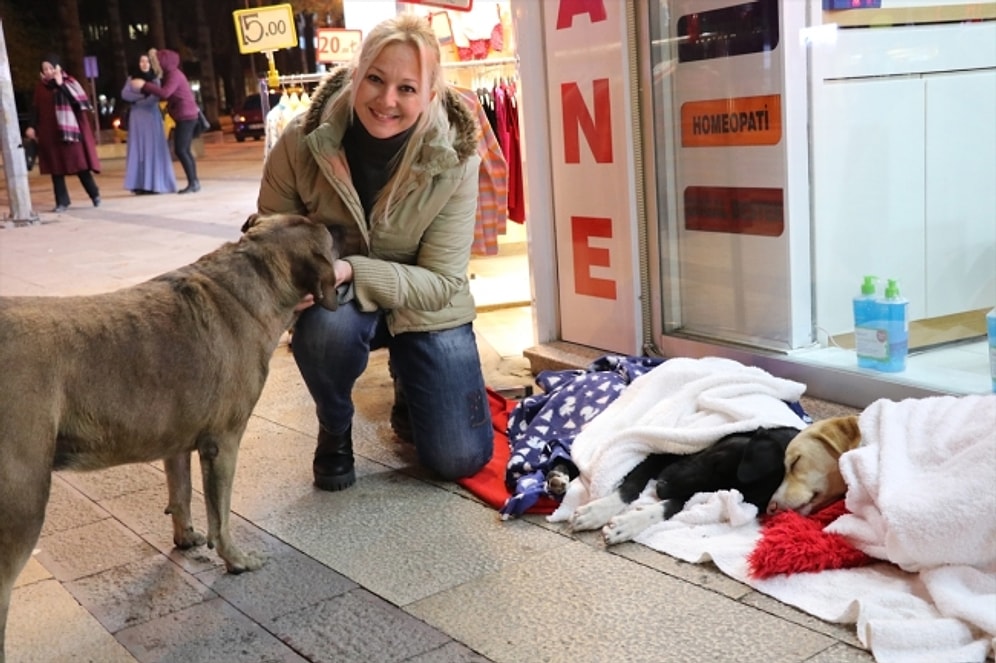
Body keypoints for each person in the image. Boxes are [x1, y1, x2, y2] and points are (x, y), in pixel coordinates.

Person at [256, 14, 493, 491]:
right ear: (355, 74)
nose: (386, 101)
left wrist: (351, 269)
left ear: (429, 94)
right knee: (325, 330)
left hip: (425, 304)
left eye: (407, 89)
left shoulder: (457, 154)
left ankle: (411, 378)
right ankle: (335, 422)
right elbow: (271, 232)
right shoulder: (302, 140)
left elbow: (444, 283)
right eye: (376, 80)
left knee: (459, 458)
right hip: (340, 298)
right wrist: (293, 279)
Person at [25, 53, 101, 213]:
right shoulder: (40, 88)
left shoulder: (69, 82)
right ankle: (62, 202)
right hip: (49, 134)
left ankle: (94, 194)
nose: (47, 71)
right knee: (56, 170)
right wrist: (32, 126)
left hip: (70, 134)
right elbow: (35, 109)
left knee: (80, 166)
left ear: (57, 68)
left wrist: (61, 85)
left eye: (50, 68)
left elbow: (79, 103)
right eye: (44, 69)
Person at [131, 48, 199, 193]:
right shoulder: (172, 74)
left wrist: (144, 86)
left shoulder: (174, 75)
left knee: (181, 150)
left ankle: (193, 182)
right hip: (186, 115)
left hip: (186, 116)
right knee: (184, 149)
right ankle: (194, 182)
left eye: (157, 62)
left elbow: (166, 93)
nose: (156, 65)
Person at [120, 53, 177, 194]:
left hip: (151, 117)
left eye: (147, 62)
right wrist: (143, 94)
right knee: (137, 150)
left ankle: (155, 184)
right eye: (141, 61)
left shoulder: (155, 79)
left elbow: (153, 99)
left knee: (153, 150)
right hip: (136, 119)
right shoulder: (131, 78)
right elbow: (124, 94)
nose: (144, 64)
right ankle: (139, 184)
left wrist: (138, 97)